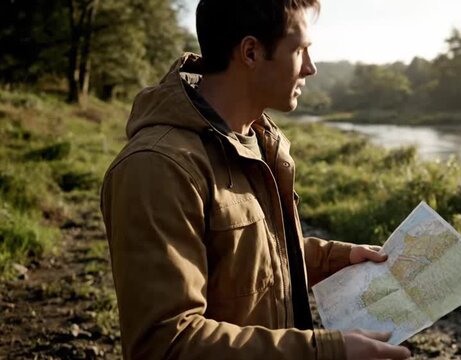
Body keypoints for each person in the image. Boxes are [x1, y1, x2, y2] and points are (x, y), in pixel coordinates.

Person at [100, 0, 412, 359]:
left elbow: (246, 258)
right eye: (300, 50)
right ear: (250, 52)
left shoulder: (259, 140)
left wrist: (336, 259)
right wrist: (325, 352)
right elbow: (164, 344)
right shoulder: (157, 168)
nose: (310, 68)